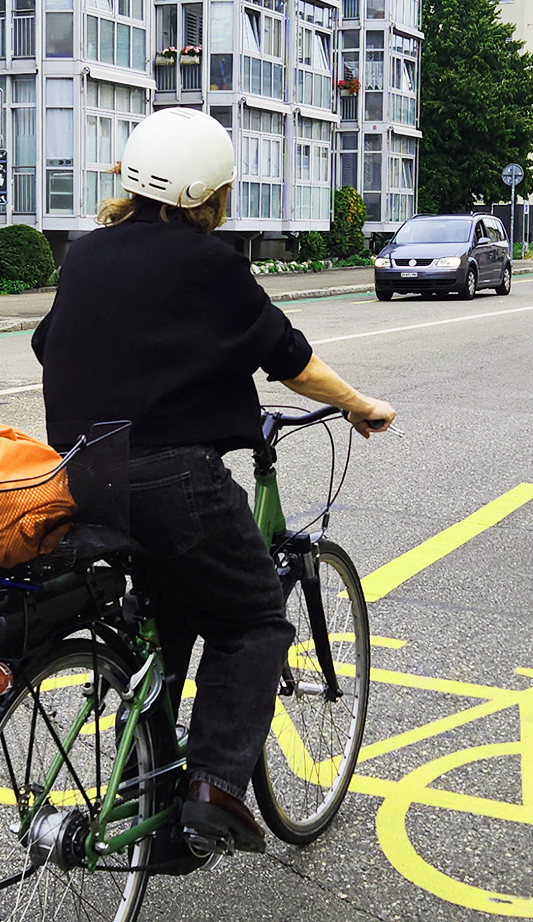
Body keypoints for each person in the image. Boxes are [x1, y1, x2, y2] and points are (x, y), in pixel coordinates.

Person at [30, 108, 395, 856]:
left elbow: (51, 345)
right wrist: (360, 406)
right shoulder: (209, 263)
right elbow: (289, 358)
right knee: (256, 617)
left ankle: (150, 793)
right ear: (206, 191)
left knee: (170, 621)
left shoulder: (86, 253)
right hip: (174, 482)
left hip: (81, 477)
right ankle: (215, 789)